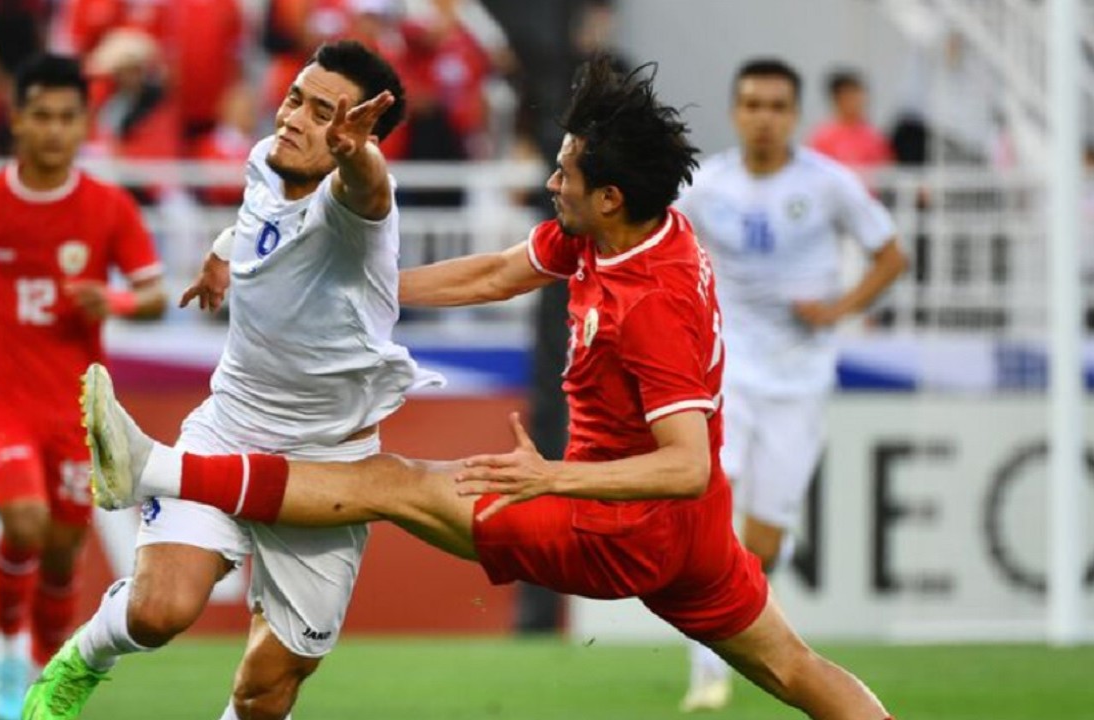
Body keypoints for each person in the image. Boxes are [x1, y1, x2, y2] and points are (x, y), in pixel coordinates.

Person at [83, 56, 897, 720]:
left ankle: (155, 469)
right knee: (793, 667)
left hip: (611, 523)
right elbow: (498, 272)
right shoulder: (626, 228)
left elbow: (681, 461)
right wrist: (352, 283)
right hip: (693, 531)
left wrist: (552, 477)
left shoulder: (649, 304)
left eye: (565, 173)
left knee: (390, 483)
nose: (551, 183)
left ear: (608, 196)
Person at [25, 40, 427, 720]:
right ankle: (81, 658)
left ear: (353, 137)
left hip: (328, 468)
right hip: (229, 429)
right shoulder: (266, 162)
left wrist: (358, 155)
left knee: (266, 691)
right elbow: (254, 215)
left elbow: (369, 190)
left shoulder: (357, 215)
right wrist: (219, 256)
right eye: (296, 98)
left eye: (323, 115)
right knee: (159, 611)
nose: (295, 118)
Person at [0, 53, 167, 720]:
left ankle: (46, 671)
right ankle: (6, 649)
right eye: (42, 117)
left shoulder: (107, 207)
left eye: (67, 118)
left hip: (74, 404)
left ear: (84, 124)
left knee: (62, 552)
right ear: (17, 120)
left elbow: (153, 294)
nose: (55, 130)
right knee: (24, 520)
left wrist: (109, 302)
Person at [672, 58, 908, 711]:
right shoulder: (706, 185)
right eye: (752, 104)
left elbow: (892, 254)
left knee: (765, 540)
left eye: (777, 106)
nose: (764, 117)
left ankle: (739, 629)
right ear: (734, 112)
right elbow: (661, 248)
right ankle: (706, 667)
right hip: (728, 373)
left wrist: (839, 308)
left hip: (801, 379)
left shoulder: (828, 184)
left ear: (794, 115)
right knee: (708, 504)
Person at [807, 69, 893, 173]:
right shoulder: (823, 137)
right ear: (836, 99)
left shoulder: (875, 136)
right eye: (848, 96)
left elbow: (886, 170)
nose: (855, 101)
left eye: (857, 94)